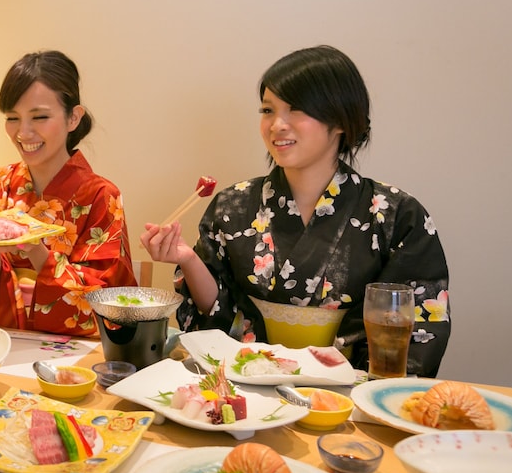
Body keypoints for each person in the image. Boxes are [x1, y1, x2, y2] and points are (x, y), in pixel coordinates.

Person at [141, 45, 450, 377]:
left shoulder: (396, 216)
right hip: (247, 387)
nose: (277, 125)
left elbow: (418, 329)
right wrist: (187, 259)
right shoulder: (233, 206)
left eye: (296, 110)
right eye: (268, 110)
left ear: (341, 120)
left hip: (349, 398)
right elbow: (216, 317)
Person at [0, 50, 136, 335]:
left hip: (72, 356)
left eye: (39, 117)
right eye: (12, 118)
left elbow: (112, 306)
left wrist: (35, 249)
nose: (23, 133)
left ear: (73, 118)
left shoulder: (101, 196)